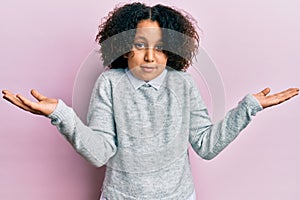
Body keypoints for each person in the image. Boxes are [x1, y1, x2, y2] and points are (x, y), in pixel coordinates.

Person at [2, 2, 299, 200]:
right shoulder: (109, 83)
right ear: (123, 46)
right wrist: (60, 114)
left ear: (171, 51)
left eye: (159, 47)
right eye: (139, 45)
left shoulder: (183, 84)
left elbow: (206, 145)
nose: (149, 56)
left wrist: (249, 108)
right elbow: (99, 153)